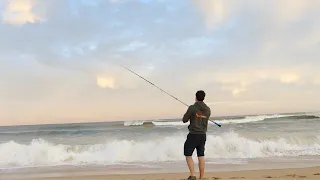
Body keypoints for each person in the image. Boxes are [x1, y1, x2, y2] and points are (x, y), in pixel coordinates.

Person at [182, 90, 211, 180]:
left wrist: (191, 114)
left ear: (196, 97)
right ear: (203, 97)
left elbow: (184, 120)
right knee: (201, 155)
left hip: (194, 134)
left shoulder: (192, 108)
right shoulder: (207, 109)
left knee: (188, 154)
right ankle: (201, 177)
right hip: (203, 135)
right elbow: (203, 118)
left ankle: (192, 175)